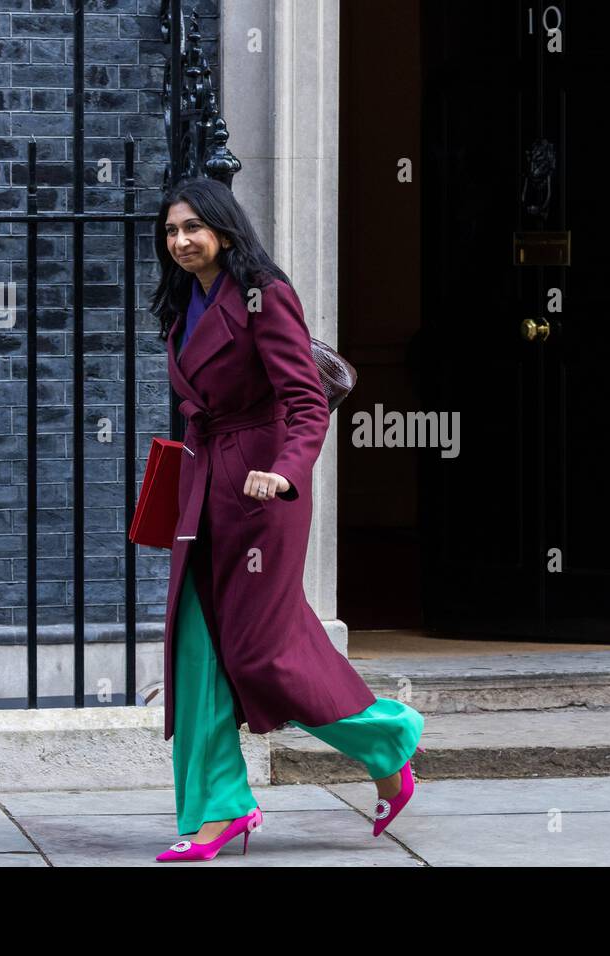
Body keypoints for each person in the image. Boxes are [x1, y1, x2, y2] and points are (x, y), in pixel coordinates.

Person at [147, 177, 426, 862]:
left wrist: (289, 472)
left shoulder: (264, 296)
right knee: (197, 648)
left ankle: (389, 737)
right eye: (171, 231)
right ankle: (220, 812)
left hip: (263, 495)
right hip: (203, 485)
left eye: (193, 228)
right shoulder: (183, 300)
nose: (181, 242)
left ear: (224, 229)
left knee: (258, 652)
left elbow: (305, 401)